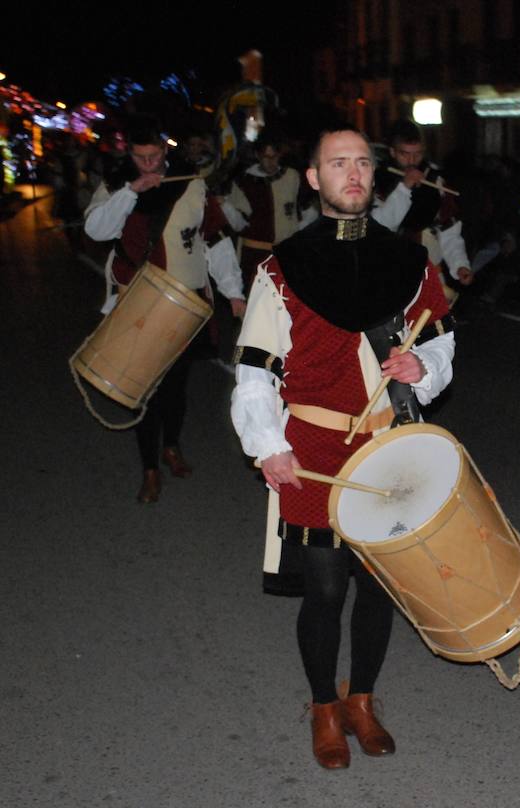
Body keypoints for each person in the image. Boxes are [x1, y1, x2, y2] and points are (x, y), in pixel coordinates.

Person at [230, 125, 454, 769]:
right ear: (314, 178)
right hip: (313, 449)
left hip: (386, 443)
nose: (353, 174)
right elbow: (255, 371)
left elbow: (439, 338)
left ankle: (363, 700)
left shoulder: (407, 260)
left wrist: (426, 370)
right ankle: (324, 708)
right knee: (326, 590)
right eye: (338, 163)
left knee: (380, 586)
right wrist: (268, 444)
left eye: (362, 163)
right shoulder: (283, 268)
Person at [84, 118, 246, 503]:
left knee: (175, 385)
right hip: (140, 299)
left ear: (165, 150)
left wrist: (233, 293)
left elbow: (215, 241)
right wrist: (131, 191)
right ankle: (150, 469)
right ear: (130, 154)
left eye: (155, 156)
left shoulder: (191, 183)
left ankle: (171, 445)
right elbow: (97, 230)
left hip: (186, 301)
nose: (149, 164)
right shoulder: (116, 183)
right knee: (147, 387)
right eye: (140, 158)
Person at [373, 119, 473, 286]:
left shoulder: (435, 181)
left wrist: (460, 265)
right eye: (405, 154)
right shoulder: (377, 180)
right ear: (392, 152)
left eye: (418, 154)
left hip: (428, 273)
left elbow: (449, 231)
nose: (412, 161)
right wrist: (405, 187)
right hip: (388, 274)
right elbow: (381, 225)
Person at [224, 133, 317, 290]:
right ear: (257, 156)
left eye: (274, 157)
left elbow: (307, 208)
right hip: (255, 255)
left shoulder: (292, 176)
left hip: (286, 254)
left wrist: (296, 233)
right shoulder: (244, 181)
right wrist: (225, 206)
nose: (270, 162)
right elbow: (238, 223)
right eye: (266, 157)